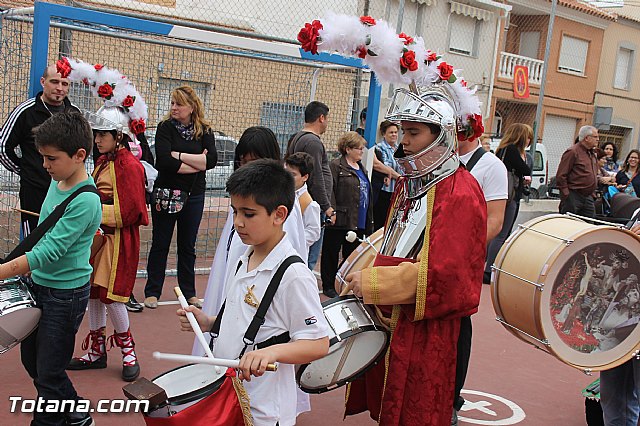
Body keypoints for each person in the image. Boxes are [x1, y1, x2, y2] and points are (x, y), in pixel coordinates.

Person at [178, 159, 329, 426]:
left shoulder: (293, 275)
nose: (238, 222)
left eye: (248, 214)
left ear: (279, 215)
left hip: (264, 411)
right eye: (235, 212)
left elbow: (318, 343)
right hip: (229, 397)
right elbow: (248, 319)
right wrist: (210, 323)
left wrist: (271, 353)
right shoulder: (244, 256)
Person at [0, 111, 102, 426]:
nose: (44, 165)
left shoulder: (85, 200)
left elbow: (49, 251)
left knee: (49, 373)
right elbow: (43, 234)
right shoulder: (57, 180)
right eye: (43, 157)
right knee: (34, 364)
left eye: (51, 158)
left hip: (64, 295)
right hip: (38, 286)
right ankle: (77, 413)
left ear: (79, 155)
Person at [66, 104, 148, 381]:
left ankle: (129, 352)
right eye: (96, 134)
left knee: (113, 297)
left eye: (103, 134)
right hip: (99, 238)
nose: (97, 139)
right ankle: (97, 351)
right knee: (94, 294)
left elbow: (132, 211)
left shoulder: (128, 165)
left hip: (119, 240)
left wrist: (91, 213)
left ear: (119, 135)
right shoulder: (103, 161)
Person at [144, 86, 218, 309]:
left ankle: (189, 292)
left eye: (179, 104)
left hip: (194, 195)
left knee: (188, 246)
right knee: (160, 243)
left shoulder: (205, 130)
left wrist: (179, 156)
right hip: (167, 193)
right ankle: (152, 291)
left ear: (192, 107)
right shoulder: (165, 128)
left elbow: (211, 161)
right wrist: (197, 162)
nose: (174, 108)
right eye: (173, 103)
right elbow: (164, 162)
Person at [454, 126, 508, 423]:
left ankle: (452, 398)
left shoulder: (492, 166)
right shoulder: (441, 158)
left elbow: (495, 221)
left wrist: (458, 250)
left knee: (458, 326)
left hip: (462, 261)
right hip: (427, 257)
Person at [0, 63, 79, 238]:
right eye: (54, 82)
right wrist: (26, 170)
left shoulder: (74, 113)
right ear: (43, 82)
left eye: (64, 84)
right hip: (35, 191)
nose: (59, 88)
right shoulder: (25, 111)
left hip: (67, 190)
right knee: (34, 241)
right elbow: (2, 147)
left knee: (62, 239)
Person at [321, 131, 374, 298]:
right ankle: (329, 284)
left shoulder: (362, 168)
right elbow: (330, 190)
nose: (362, 151)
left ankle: (344, 282)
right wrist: (332, 211)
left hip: (359, 218)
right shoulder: (336, 166)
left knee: (352, 255)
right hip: (341, 218)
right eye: (359, 148)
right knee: (331, 251)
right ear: (348, 149)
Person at [286, 101, 335, 271]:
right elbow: (316, 177)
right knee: (309, 255)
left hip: (301, 200)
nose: (327, 123)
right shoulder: (313, 142)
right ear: (321, 118)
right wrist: (327, 206)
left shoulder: (296, 137)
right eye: (327, 118)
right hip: (310, 204)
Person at [484, 123, 533, 284]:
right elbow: (525, 169)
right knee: (501, 233)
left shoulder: (502, 150)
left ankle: (487, 266)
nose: (528, 140)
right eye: (527, 137)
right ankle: (489, 269)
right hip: (509, 196)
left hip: (507, 194)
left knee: (499, 232)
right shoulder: (512, 150)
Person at [556, 125, 599, 218]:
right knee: (568, 224)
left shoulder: (592, 154)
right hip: (573, 195)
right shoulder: (573, 152)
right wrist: (566, 194)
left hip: (588, 197)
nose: (598, 139)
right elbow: (561, 175)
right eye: (595, 137)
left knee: (588, 227)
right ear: (587, 138)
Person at [284, 152, 321, 253]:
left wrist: (293, 239)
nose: (287, 178)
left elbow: (314, 232)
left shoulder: (308, 203)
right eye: (286, 172)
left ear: (305, 177)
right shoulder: (281, 192)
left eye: (293, 175)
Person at [373, 120, 402, 230]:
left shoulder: (400, 148)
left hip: (397, 191)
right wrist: (399, 177)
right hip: (384, 191)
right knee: (381, 222)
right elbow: (385, 167)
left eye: (395, 132)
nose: (394, 135)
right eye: (391, 132)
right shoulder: (379, 148)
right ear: (384, 134)